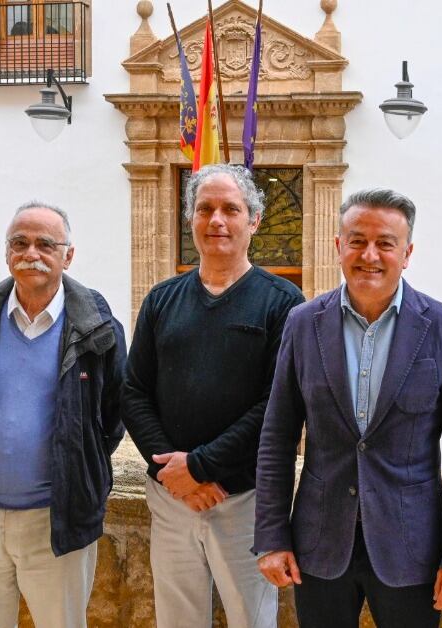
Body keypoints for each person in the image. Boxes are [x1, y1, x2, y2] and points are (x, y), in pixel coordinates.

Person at [254, 188, 442, 628]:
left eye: (385, 243)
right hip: (319, 545)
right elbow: (277, 438)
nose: (370, 255)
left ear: (407, 253)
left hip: (413, 548)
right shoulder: (303, 324)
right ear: (338, 246)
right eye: (357, 240)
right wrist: (271, 537)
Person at [121, 164, 304, 628]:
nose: (216, 220)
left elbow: (278, 406)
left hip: (244, 498)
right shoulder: (162, 299)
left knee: (251, 620)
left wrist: (200, 467)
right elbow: (134, 391)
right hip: (171, 498)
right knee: (177, 620)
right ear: (191, 220)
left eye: (230, 209)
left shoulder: (284, 303)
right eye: (205, 209)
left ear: (254, 221)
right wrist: (174, 475)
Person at [0, 202, 127, 627]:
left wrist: (77, 471)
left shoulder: (97, 328)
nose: (31, 253)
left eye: (46, 244)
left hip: (57, 521)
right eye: (20, 243)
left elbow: (111, 418)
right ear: (7, 253)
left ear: (68, 255)